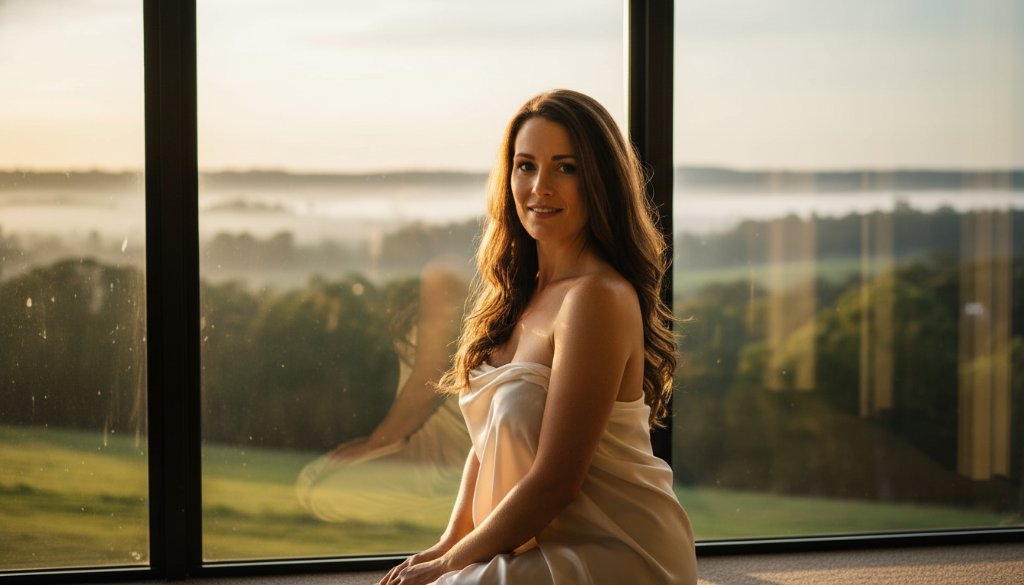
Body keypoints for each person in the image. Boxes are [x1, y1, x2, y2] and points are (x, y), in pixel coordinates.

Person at [380, 89, 697, 585]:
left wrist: (451, 565)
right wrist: (448, 545)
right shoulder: (520, 295)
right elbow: (488, 440)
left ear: (600, 182)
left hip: (617, 550)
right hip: (545, 540)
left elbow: (556, 481)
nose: (540, 187)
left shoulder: (596, 298)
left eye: (565, 168)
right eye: (526, 166)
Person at [296, 257, 472, 528]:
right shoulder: (435, 271)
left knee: (323, 493)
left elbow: (431, 377)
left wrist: (375, 444)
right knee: (313, 481)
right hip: (423, 435)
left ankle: (460, 507)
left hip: (449, 449)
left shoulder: (446, 271)